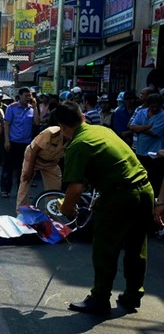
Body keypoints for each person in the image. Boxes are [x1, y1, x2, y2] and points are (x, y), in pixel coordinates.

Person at [56, 101, 153, 315]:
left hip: (119, 197)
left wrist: (66, 210)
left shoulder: (78, 144)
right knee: (137, 247)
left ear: (63, 126)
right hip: (145, 190)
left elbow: (75, 188)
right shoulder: (101, 130)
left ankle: (99, 299)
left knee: (105, 249)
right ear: (82, 117)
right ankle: (133, 295)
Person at [15, 126, 68, 212]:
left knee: (55, 187)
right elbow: (35, 150)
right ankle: (21, 212)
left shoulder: (75, 137)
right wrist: (30, 170)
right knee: (25, 182)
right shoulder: (51, 133)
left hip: (52, 162)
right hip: (35, 158)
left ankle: (50, 212)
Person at [0, 87, 40, 198]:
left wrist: (35, 107)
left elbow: (37, 122)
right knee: (8, 167)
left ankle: (21, 191)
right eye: (26, 95)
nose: (28, 98)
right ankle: (5, 190)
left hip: (26, 143)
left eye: (30, 96)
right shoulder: (11, 108)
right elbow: (6, 124)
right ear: (20, 96)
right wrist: (6, 140)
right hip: (13, 142)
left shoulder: (32, 109)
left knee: (23, 168)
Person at [129, 93, 164, 196]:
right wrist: (147, 127)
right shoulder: (141, 112)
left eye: (156, 106)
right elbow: (131, 127)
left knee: (154, 180)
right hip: (140, 150)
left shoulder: (162, 116)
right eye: (152, 106)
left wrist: (139, 128)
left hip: (155, 153)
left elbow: (154, 133)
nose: (154, 108)